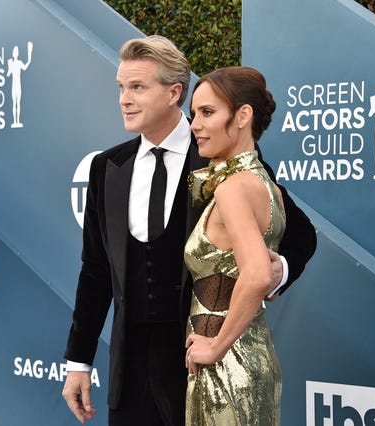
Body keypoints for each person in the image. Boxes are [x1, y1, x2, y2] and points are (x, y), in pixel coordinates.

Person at [62, 36, 316, 426]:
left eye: (137, 87)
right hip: (129, 371)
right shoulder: (107, 168)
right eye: (121, 88)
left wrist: (277, 270)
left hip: (200, 362)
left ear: (173, 93)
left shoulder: (222, 157)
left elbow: (300, 233)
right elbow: (95, 271)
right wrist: (78, 361)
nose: (124, 99)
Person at [184, 66, 286, 425]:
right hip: (253, 359)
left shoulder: (233, 188)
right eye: (194, 113)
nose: (195, 124)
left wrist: (216, 346)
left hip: (226, 372)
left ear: (243, 116)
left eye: (207, 112)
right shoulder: (268, 187)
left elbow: (257, 275)